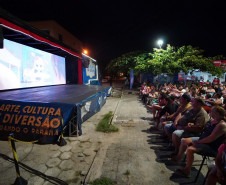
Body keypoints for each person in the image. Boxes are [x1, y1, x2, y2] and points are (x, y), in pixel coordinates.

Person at [174, 106, 226, 177]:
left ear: (217, 113)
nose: (210, 112)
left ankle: (187, 170)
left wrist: (198, 142)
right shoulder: (213, 120)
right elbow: (203, 128)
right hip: (203, 139)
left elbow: (211, 138)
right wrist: (193, 125)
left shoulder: (221, 125)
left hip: (212, 146)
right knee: (184, 141)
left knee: (190, 149)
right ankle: (178, 158)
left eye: (212, 111)